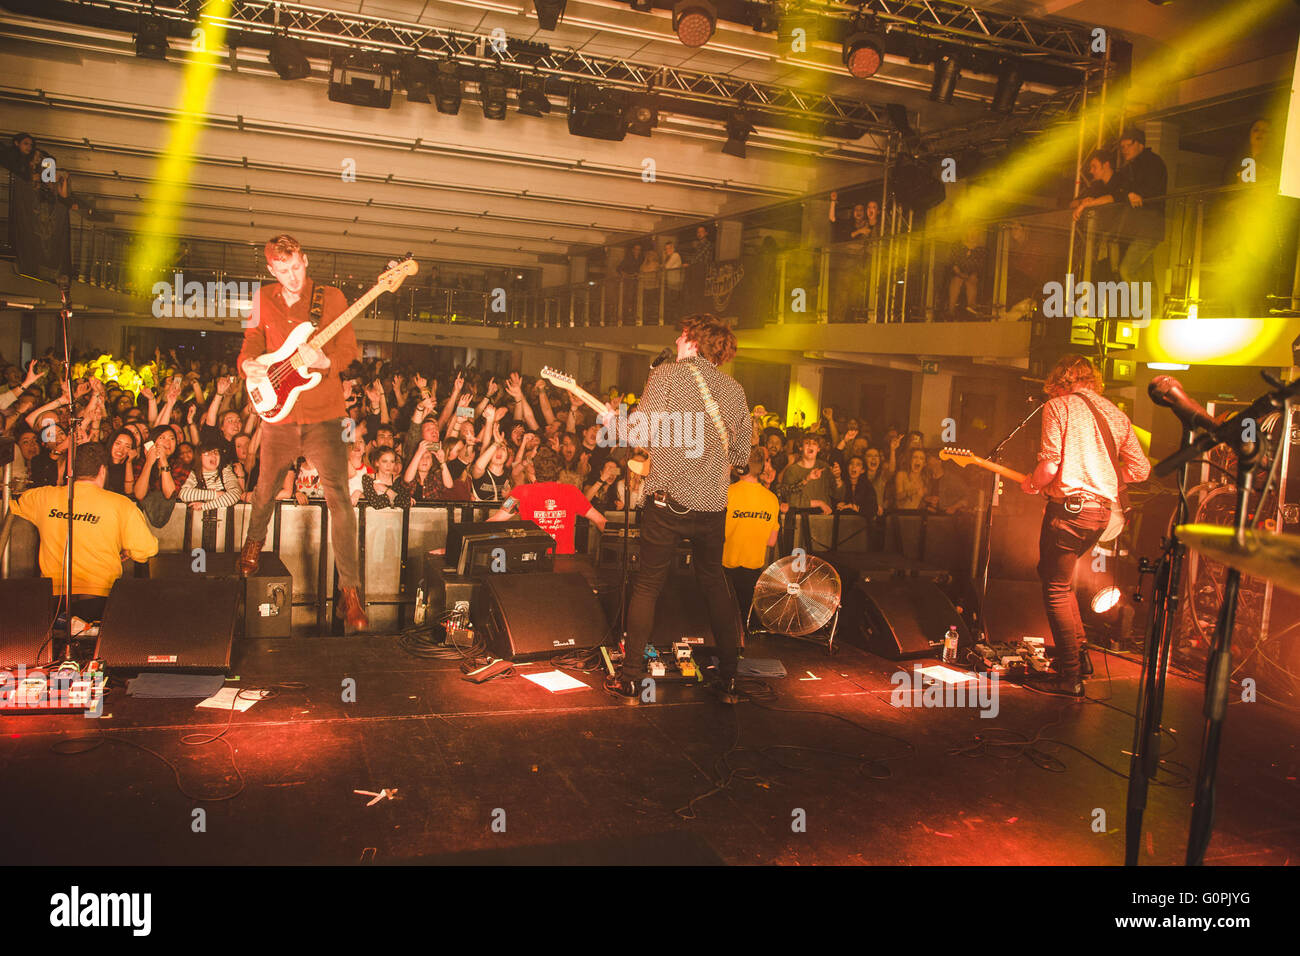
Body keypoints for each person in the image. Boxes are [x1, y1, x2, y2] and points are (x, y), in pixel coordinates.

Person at [609, 314, 751, 704]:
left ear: (692, 341)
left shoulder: (667, 376)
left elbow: (637, 433)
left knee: (649, 584)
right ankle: (729, 677)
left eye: (681, 334)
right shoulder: (736, 391)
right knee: (714, 583)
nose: (676, 340)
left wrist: (616, 420)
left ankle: (632, 676)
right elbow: (741, 457)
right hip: (712, 506)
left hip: (668, 499)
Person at [236, 234, 367, 630]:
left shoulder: (332, 298)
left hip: (325, 414)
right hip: (278, 412)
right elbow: (251, 342)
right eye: (284, 270)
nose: (293, 277)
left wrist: (327, 359)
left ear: (305, 261)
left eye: (298, 268)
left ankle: (350, 593)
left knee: (339, 499)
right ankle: (254, 541)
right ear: (272, 269)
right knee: (265, 488)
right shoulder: (261, 299)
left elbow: (349, 350)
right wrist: (248, 366)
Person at [1019, 355, 1150, 697]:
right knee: (1064, 582)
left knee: (1055, 587)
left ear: (1060, 381)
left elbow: (1049, 467)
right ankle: (1080, 661)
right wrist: (1101, 475)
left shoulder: (1059, 407)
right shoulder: (1116, 414)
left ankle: (1069, 676)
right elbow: (1140, 471)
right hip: (1100, 515)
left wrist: (1033, 483)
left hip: (1070, 511)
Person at [9, 441, 158, 623]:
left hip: (53, 598)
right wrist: (127, 550)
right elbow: (147, 550)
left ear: (70, 469)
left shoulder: (43, 497)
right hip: (101, 598)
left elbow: (13, 504)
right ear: (103, 470)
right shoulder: (121, 505)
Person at [488, 446, 606, 554]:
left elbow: (495, 520)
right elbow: (601, 521)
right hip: (565, 564)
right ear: (559, 470)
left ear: (533, 469)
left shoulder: (519, 493)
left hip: (533, 562)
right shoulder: (572, 492)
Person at [724, 448, 780, 630]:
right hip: (753, 570)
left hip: (725, 567)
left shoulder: (728, 493)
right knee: (746, 625)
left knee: (725, 623)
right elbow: (771, 541)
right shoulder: (772, 499)